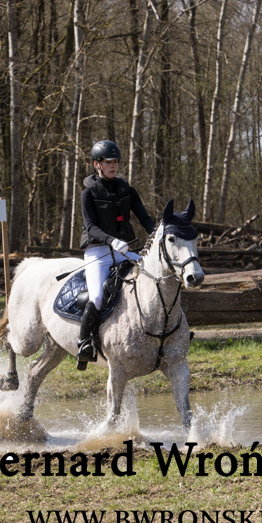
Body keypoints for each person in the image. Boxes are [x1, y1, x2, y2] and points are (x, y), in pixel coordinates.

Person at [77, 140, 155, 363]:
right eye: (108, 162)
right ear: (97, 164)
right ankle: (84, 343)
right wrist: (111, 240)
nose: (113, 165)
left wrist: (158, 234)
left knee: (154, 276)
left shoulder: (127, 190)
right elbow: (90, 227)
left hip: (123, 250)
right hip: (98, 253)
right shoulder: (87, 193)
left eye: (115, 162)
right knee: (97, 297)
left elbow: (144, 218)